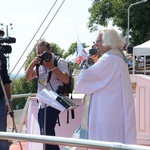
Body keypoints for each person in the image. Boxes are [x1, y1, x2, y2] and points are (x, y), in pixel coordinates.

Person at [75, 28, 136, 149]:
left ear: (107, 42)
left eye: (98, 41)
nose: (95, 44)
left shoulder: (108, 59)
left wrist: (80, 73)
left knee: (103, 143)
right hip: (114, 112)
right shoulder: (119, 58)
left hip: (104, 113)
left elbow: (85, 80)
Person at [25, 40, 69, 150]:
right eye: (38, 52)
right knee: (44, 134)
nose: (41, 55)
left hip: (54, 101)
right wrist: (32, 63)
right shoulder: (39, 65)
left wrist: (51, 66)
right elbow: (27, 77)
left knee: (47, 132)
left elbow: (65, 79)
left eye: (43, 52)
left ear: (50, 51)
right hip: (42, 102)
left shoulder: (59, 61)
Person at [0, 52, 12, 150]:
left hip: (0, 101)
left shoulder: (1, 57)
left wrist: (9, 101)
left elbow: (6, 80)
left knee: (2, 135)